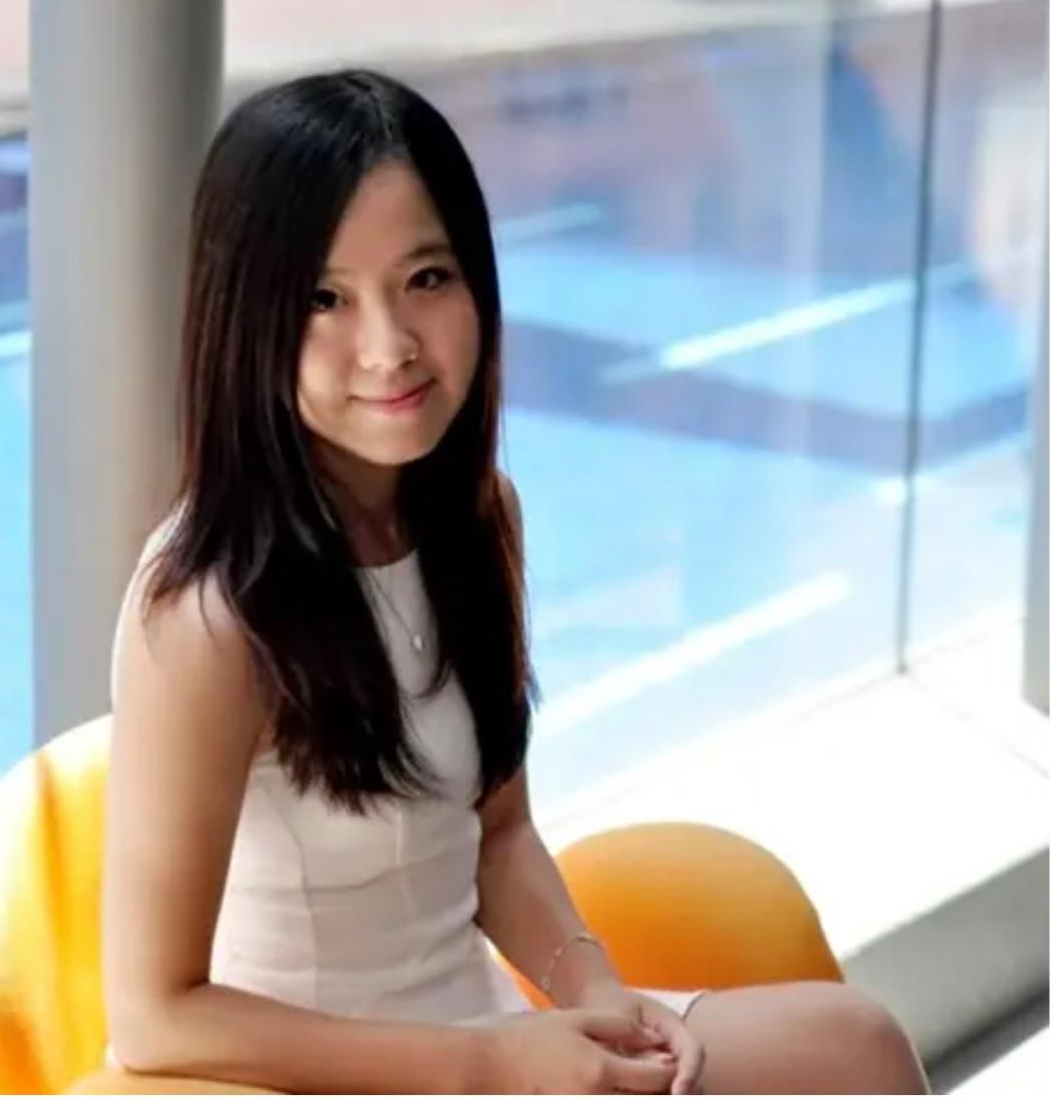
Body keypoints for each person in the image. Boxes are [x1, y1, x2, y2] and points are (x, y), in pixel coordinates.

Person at [103, 68, 930, 1095]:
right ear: (246, 319)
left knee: (858, 1045)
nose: (389, 346)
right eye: (324, 298)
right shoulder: (207, 614)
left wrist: (592, 990)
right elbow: (153, 1015)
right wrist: (486, 1061)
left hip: (491, 1038)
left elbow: (497, 835)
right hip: (332, 1079)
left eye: (426, 278)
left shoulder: (476, 514)